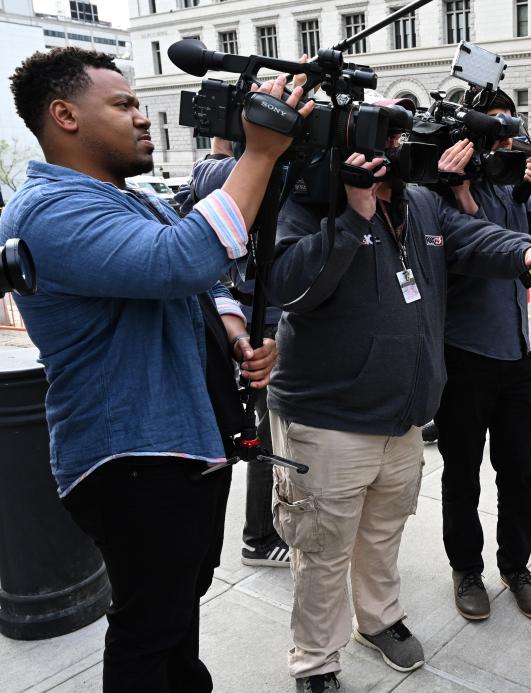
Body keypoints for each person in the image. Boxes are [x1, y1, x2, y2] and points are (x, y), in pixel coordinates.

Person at [0, 48, 309, 691]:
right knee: (148, 628)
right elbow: (180, 261)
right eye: (123, 105)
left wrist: (231, 335)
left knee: (176, 604)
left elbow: (199, 279)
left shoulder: (124, 198)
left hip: (179, 443)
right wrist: (258, 154)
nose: (143, 118)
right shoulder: (48, 212)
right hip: (131, 456)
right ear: (64, 116)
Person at [265, 100, 531, 692]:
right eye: (386, 137)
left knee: (382, 533)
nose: (399, 148)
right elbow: (288, 285)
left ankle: (378, 621)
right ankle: (316, 661)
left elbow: (473, 238)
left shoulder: (422, 202)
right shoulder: (304, 201)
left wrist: (525, 253)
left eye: (401, 137)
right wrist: (351, 216)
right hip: (328, 421)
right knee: (323, 549)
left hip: (401, 418)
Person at [433, 88, 531, 621]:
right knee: (461, 475)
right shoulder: (440, 191)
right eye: (494, 132)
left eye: (510, 130)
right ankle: (467, 570)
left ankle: (516, 566)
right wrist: (460, 194)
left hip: (516, 357)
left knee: (519, 474)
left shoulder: (512, 188)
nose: (506, 142)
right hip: (465, 357)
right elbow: (468, 253)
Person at [178, 138, 291, 568]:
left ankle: (267, 531)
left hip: (263, 322)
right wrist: (260, 150)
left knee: (272, 426)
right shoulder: (220, 173)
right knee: (262, 429)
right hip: (260, 323)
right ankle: (258, 537)